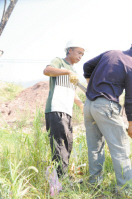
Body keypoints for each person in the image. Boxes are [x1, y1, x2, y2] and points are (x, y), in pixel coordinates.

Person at [83, 38, 132, 187]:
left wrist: (90, 84)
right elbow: (131, 99)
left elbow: (86, 65)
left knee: (95, 148)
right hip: (106, 107)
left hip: (89, 105)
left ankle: (94, 184)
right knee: (120, 149)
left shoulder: (111, 53)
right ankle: (126, 189)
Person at [43, 40, 85, 178]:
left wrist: (81, 105)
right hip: (56, 108)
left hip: (67, 111)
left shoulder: (73, 71)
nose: (80, 56)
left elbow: (71, 90)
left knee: (67, 144)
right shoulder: (59, 62)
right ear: (69, 50)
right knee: (59, 145)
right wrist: (66, 71)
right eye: (79, 52)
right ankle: (59, 180)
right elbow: (47, 70)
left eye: (82, 54)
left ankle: (63, 177)